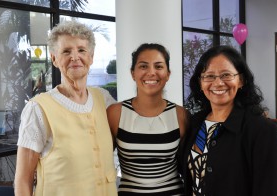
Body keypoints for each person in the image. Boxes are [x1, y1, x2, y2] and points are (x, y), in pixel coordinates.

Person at [14, 21, 118, 196]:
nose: (75, 57)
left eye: (81, 50)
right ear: (54, 58)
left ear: (91, 57)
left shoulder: (104, 99)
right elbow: (23, 179)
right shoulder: (38, 108)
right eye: (66, 51)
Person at [179, 45, 277, 195]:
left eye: (226, 75)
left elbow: (271, 190)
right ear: (200, 83)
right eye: (209, 76)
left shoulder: (263, 130)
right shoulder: (195, 123)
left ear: (241, 80)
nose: (218, 83)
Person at [107, 43, 188, 195]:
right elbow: (100, 161)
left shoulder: (181, 115)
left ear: (168, 74)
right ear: (133, 73)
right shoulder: (115, 113)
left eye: (158, 66)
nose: (151, 72)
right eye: (143, 66)